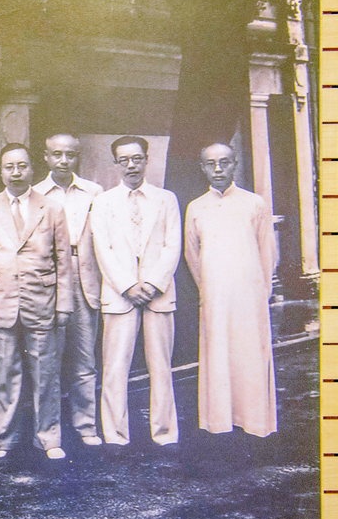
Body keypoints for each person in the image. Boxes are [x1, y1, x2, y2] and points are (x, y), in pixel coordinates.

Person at [0, 143, 72, 461]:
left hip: (41, 301)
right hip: (1, 302)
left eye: (21, 166)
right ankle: (4, 439)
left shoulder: (51, 208)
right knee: (6, 375)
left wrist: (64, 304)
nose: (16, 173)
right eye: (9, 167)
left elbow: (63, 260)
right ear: (1, 171)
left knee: (46, 374)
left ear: (32, 169)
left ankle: (49, 438)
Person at [90, 135, 181, 448]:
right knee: (115, 367)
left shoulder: (166, 199)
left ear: (146, 160)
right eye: (124, 160)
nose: (131, 165)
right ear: (116, 163)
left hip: (158, 294)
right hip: (120, 295)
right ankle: (115, 435)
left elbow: (172, 245)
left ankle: (165, 433)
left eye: (137, 158)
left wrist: (153, 283)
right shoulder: (103, 202)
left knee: (161, 367)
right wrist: (128, 285)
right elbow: (103, 249)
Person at [184, 142, 277, 437]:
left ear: (235, 164)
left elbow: (267, 252)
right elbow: (192, 254)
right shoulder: (196, 207)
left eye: (224, 162)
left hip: (250, 296)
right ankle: (220, 421)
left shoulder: (254, 203)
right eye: (211, 163)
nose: (218, 169)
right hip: (214, 296)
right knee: (218, 355)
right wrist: (207, 289)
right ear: (202, 168)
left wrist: (261, 292)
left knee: (250, 355)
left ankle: (255, 421)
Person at [34, 133, 104, 447]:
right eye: (57, 154)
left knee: (85, 357)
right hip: (47, 282)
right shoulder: (36, 194)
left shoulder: (94, 192)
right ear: (46, 157)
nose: (63, 161)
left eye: (70, 155)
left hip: (85, 277)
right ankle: (49, 430)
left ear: (78, 157)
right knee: (47, 359)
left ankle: (86, 425)